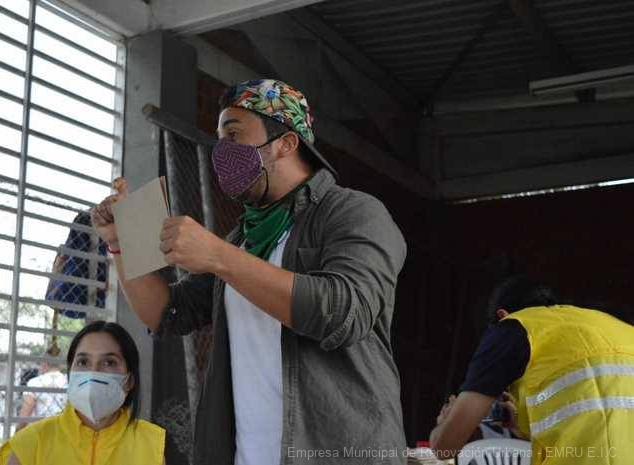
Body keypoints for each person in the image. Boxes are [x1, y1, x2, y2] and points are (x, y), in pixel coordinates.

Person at [91, 79, 408, 464]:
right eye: (219, 139)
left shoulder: (353, 213)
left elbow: (344, 311)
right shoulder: (244, 238)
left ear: (285, 143)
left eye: (234, 135)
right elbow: (167, 311)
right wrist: (120, 242)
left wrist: (218, 255)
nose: (222, 151)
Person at [430, 276, 634, 464]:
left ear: (502, 315)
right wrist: (519, 427)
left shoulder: (512, 327)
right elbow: (601, 417)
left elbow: (444, 449)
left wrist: (445, 423)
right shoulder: (616, 325)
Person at [0, 321, 166, 465]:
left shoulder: (152, 445)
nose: (93, 372)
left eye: (109, 362)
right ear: (70, 374)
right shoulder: (29, 444)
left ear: (129, 381)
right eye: (83, 362)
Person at [16, 345, 67, 430]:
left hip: (40, 431)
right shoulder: (68, 382)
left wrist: (16, 433)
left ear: (44, 364)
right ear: (60, 365)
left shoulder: (34, 383)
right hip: (62, 430)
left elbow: (25, 415)